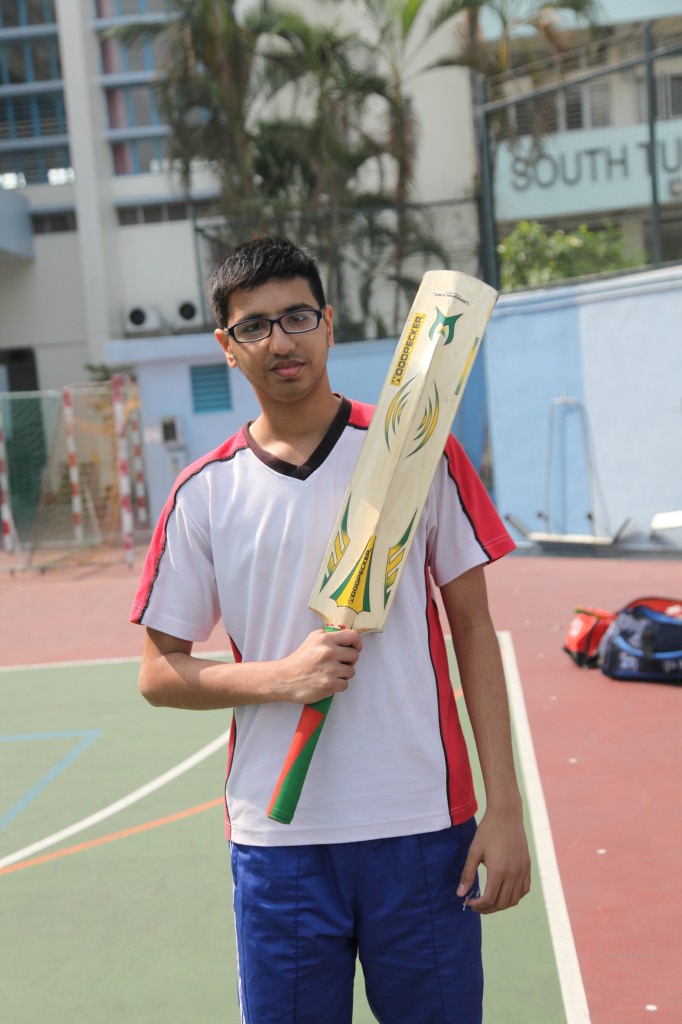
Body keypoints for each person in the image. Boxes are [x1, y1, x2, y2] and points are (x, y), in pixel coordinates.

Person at [131, 236, 530, 1023]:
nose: (281, 340)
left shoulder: (420, 452)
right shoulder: (204, 494)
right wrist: (282, 678)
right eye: (254, 326)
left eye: (298, 317)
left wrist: (505, 807)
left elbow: (475, 630)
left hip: (423, 828)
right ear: (227, 345)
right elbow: (157, 672)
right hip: (278, 845)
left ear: (329, 323)